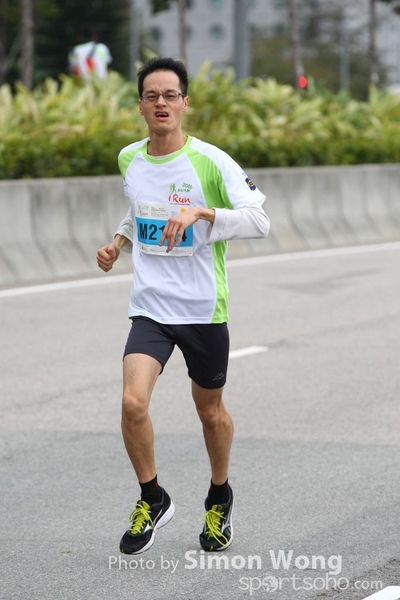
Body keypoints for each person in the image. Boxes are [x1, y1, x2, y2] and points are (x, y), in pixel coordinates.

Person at [96, 56, 270, 555]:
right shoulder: (130, 158)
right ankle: (153, 497)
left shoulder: (211, 161)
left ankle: (219, 496)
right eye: (152, 96)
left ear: (184, 103)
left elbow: (260, 221)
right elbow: (138, 209)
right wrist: (119, 241)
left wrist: (204, 212)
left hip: (202, 309)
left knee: (209, 412)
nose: (161, 103)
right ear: (140, 106)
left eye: (170, 95)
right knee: (132, 403)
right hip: (151, 307)